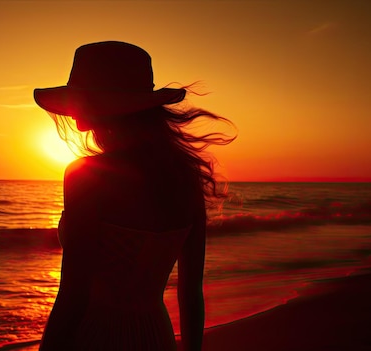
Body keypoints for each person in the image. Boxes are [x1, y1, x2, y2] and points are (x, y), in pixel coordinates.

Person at [33, 41, 235, 351]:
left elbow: (74, 294)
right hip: (155, 334)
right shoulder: (185, 179)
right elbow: (190, 291)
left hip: (95, 336)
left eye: (81, 100)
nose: (74, 114)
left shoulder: (87, 175)